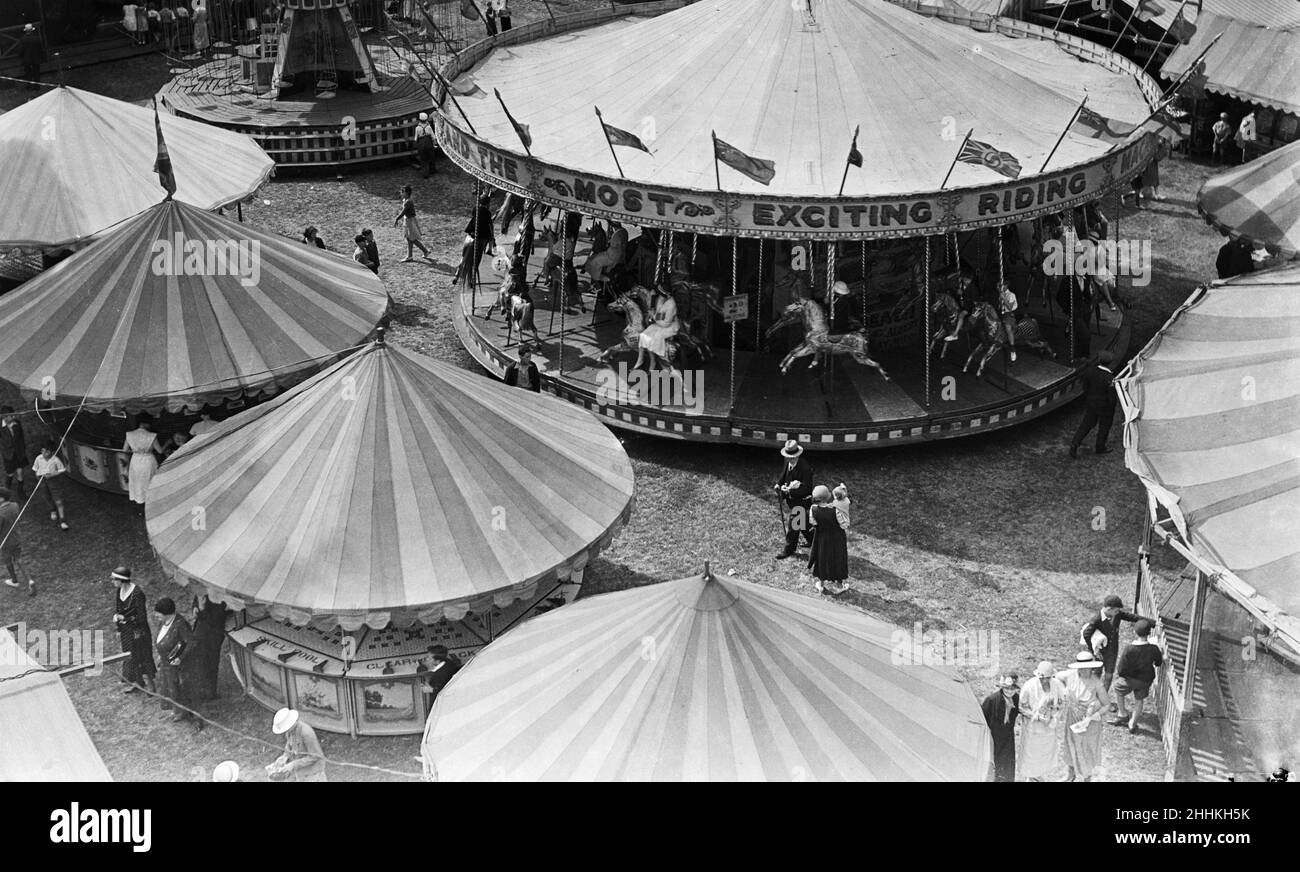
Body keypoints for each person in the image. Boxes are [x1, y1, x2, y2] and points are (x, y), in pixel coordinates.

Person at [1080, 594, 1150, 697]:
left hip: (1112, 652)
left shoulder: (1116, 614)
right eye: (1116, 611)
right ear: (1109, 609)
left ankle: (1103, 697)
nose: (1118, 613)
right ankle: (1092, 697)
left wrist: (1151, 622)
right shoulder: (1097, 619)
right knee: (1096, 674)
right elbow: (1086, 634)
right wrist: (1094, 651)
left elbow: (1132, 617)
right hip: (1099, 654)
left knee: (1109, 676)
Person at [1060, 652, 1108, 782]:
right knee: (1070, 744)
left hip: (1089, 721)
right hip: (1073, 717)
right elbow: (1055, 677)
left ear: (1092, 667)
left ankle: (1088, 777)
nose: (1084, 670)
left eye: (1087, 667)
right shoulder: (1070, 676)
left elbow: (1106, 705)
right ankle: (1070, 774)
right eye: (1081, 668)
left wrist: (1093, 716)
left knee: (1088, 748)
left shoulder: (1097, 683)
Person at [1017, 660, 1066, 781]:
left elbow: (1061, 703)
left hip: (1048, 729)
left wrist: (1055, 717)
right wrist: (1036, 716)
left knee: (1045, 754)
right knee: (1032, 755)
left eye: (1047, 678)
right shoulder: (1029, 686)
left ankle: (1039, 776)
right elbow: (1022, 707)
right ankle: (1032, 777)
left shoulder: (1057, 685)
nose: (1044, 681)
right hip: (1032, 728)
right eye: (1042, 678)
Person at [1112, 619, 1163, 734]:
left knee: (1118, 689)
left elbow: (1120, 669)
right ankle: (1132, 723)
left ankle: (1123, 713)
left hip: (1129, 679)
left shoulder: (1129, 649)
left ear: (1135, 633)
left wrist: (1124, 676)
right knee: (1139, 700)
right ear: (1149, 633)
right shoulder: (1153, 648)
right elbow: (1158, 663)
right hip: (1145, 680)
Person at [111, 566, 157, 694]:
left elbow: (141, 616)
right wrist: (119, 628)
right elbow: (118, 610)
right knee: (130, 657)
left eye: (114, 579)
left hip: (139, 631)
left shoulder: (137, 593)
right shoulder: (119, 591)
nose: (112, 581)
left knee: (143, 656)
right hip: (126, 631)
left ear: (121, 580)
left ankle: (150, 685)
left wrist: (126, 618)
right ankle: (137, 682)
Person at [1068, 350, 1118, 458]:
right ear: (1109, 363)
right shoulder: (1110, 378)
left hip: (1091, 403)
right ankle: (1100, 447)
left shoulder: (1090, 371)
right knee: (1104, 427)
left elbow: (1085, 386)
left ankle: (1075, 444)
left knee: (1086, 425)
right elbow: (1112, 396)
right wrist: (1112, 407)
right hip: (1104, 407)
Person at [153, 597, 195, 724]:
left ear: (166, 613)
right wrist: (161, 655)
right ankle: (175, 710)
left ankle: (182, 711)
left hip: (176, 664)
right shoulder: (163, 622)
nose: (156, 615)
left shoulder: (180, 624)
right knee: (168, 686)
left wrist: (180, 658)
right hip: (165, 662)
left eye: (158, 613)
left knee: (177, 687)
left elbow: (190, 643)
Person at [774, 440, 815, 560]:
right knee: (804, 524)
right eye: (788, 457)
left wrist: (789, 491)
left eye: (793, 457)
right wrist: (778, 484)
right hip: (793, 501)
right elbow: (784, 474)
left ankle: (788, 550)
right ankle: (813, 540)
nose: (790, 459)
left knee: (794, 527)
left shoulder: (806, 469)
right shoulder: (788, 463)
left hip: (802, 502)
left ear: (798, 455)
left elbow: (807, 489)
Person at [807, 484, 849, 595]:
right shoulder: (836, 510)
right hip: (837, 539)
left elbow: (813, 522)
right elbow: (844, 525)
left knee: (822, 559)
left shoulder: (813, 509)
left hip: (822, 538)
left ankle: (821, 584)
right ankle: (839, 585)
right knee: (838, 558)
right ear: (828, 496)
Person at [268, 708, 327, 781]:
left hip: (313, 773)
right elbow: (289, 747)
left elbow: (316, 756)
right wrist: (284, 757)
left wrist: (293, 765)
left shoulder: (306, 733)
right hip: (301, 772)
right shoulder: (289, 732)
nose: (285, 731)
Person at [980, 673, 1020, 782]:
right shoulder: (992, 700)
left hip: (1007, 738)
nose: (1009, 691)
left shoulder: (1016, 699)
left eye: (1012, 689)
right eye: (1006, 688)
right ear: (1002, 688)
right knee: (993, 764)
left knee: (1007, 764)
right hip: (993, 737)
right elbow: (982, 718)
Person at [455, 194, 497, 286]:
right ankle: (489, 249)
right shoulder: (488, 213)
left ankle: (457, 274)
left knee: (464, 256)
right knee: (476, 260)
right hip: (481, 238)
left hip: (471, 235)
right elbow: (490, 225)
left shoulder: (475, 209)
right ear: (488, 203)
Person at [0, 488, 35, 596]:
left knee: (7, 559)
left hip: (5, 541)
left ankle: (14, 580)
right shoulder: (15, 505)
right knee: (19, 558)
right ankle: (30, 580)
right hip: (16, 537)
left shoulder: (1, 513)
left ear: (1, 498)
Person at [637, 285, 680, 368]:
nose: (657, 293)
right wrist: (654, 313)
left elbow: (666, 323)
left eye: (660, 292)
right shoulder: (661, 298)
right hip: (660, 322)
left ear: (666, 293)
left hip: (670, 326)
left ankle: (663, 360)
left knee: (656, 337)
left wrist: (653, 316)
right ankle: (651, 360)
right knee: (644, 334)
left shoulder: (672, 304)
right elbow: (660, 314)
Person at [123, 415, 162, 504]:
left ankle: (139, 498)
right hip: (148, 460)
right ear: (146, 423)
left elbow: (124, 450)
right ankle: (151, 499)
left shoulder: (129, 434)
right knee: (149, 479)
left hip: (136, 460)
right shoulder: (152, 436)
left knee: (137, 480)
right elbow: (160, 451)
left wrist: (135, 449)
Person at [31, 441, 69, 530]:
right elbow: (35, 469)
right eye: (42, 451)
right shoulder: (38, 458)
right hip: (42, 480)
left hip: (53, 481)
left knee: (58, 500)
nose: (44, 453)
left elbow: (62, 470)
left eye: (46, 452)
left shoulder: (55, 459)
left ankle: (63, 521)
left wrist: (52, 475)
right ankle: (52, 510)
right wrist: (37, 476)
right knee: (46, 496)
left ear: (52, 452)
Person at [419, 645, 463, 710]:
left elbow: (449, 691)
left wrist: (431, 690)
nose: (427, 659)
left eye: (429, 658)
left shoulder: (442, 673)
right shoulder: (448, 664)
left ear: (437, 661)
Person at [394, 186, 431, 262]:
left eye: (402, 192)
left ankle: (425, 251)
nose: (401, 193)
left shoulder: (408, 202)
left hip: (410, 221)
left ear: (406, 193)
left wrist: (397, 219)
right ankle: (410, 256)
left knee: (412, 239)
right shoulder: (405, 200)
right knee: (408, 238)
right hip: (407, 220)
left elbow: (403, 212)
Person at [1, 406, 28, 499]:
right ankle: (5, 494)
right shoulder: (1, 427)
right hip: (8, 454)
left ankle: (20, 492)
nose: (13, 417)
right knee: (10, 474)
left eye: (13, 415)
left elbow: (21, 437)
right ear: (4, 417)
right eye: (10, 416)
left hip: (19, 452)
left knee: (20, 472)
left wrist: (23, 449)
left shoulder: (17, 423)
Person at [19, 24, 44, 89]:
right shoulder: (37, 38)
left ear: (26, 31)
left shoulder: (23, 39)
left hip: (27, 59)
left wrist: (20, 56)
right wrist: (41, 57)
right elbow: (40, 49)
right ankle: (37, 86)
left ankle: (29, 86)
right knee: (36, 73)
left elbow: (21, 50)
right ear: (32, 31)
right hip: (36, 58)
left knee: (28, 73)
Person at [413, 112, 437, 177]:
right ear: (426, 120)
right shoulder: (428, 127)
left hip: (421, 142)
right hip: (428, 142)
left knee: (423, 159)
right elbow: (433, 136)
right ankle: (432, 170)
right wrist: (434, 143)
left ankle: (425, 173)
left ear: (419, 120)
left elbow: (415, 138)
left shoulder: (417, 128)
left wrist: (416, 145)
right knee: (431, 156)